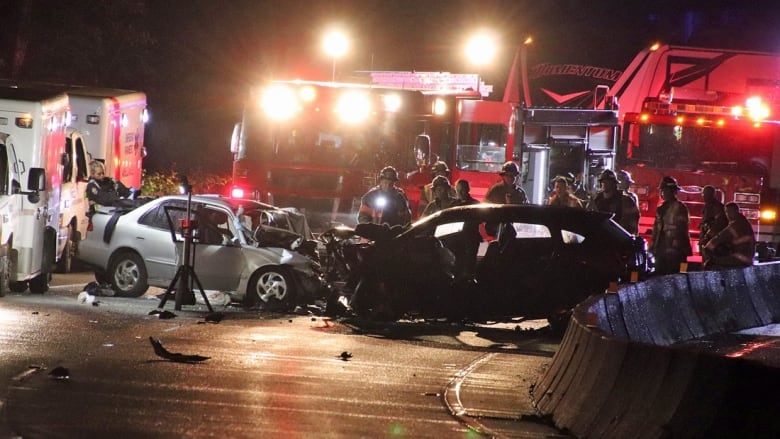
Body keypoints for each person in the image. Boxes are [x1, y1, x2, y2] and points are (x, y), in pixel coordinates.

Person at [650, 176, 692, 275]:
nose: (662, 193)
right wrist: (652, 248)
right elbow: (656, 230)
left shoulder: (680, 207)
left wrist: (684, 249)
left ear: (672, 191)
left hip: (676, 252)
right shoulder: (661, 209)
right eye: (662, 190)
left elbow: (683, 230)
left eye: (664, 190)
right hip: (661, 251)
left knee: (678, 276)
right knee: (660, 276)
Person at [703, 202, 755, 269]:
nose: (728, 215)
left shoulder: (736, 225)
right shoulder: (743, 222)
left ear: (736, 211)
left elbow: (720, 238)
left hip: (740, 258)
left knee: (712, 263)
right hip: (746, 258)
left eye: (730, 212)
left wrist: (708, 248)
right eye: (727, 212)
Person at [586, 169, 639, 235]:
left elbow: (633, 225)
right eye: (603, 181)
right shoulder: (596, 200)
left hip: (618, 239)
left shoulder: (626, 201)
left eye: (608, 181)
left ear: (614, 184)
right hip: (599, 238)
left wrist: (628, 240)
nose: (604, 184)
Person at [698, 185, 728, 268]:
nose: (704, 196)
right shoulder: (707, 206)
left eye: (706, 194)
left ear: (712, 194)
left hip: (713, 243)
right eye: (703, 194)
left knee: (711, 263)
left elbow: (718, 224)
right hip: (707, 240)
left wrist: (707, 237)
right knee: (705, 261)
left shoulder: (717, 207)